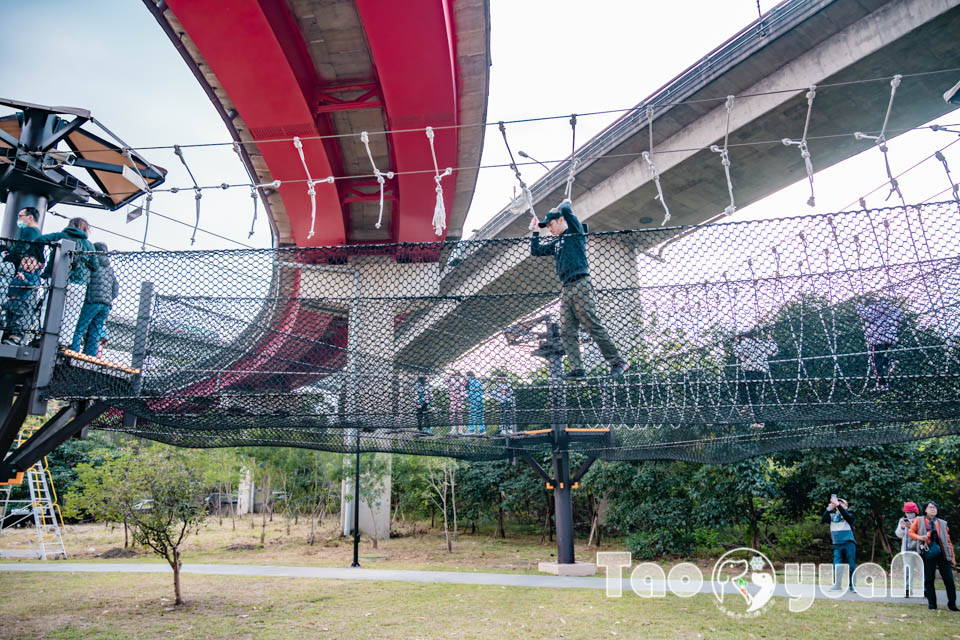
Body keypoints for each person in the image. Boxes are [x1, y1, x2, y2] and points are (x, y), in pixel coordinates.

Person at [529, 200, 629, 380]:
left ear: (560, 220)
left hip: (581, 283)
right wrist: (536, 231)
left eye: (551, 225)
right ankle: (577, 368)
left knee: (591, 324)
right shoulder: (557, 242)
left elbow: (567, 210)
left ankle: (617, 361)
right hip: (566, 288)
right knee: (566, 330)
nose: (549, 229)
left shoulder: (576, 233)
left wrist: (564, 205)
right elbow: (536, 251)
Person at [36, 218, 98, 347]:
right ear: (85, 229)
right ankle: (63, 342)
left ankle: (42, 334)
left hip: (56, 277)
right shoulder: (89, 245)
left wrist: (40, 258)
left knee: (48, 307)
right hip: (79, 283)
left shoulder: (60, 236)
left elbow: (40, 239)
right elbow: (95, 266)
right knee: (72, 313)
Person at [70, 243, 118, 357]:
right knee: (95, 331)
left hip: (92, 301)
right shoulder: (110, 269)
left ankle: (73, 351)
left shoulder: (92, 265)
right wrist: (107, 298)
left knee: (79, 327)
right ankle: (90, 355)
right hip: (106, 305)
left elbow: (85, 280)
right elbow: (115, 289)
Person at [908, 501, 957, 610]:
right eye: (930, 507)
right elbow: (911, 532)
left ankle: (952, 604)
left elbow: (948, 541)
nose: (933, 509)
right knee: (929, 579)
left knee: (949, 579)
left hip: (942, 553)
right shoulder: (919, 520)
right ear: (925, 510)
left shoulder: (942, 523)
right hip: (927, 553)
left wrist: (952, 556)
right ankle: (932, 604)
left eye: (935, 507)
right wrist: (920, 538)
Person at [732, 329, 777, 430]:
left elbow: (738, 353)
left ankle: (755, 416)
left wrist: (735, 343)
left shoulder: (746, 342)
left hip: (751, 371)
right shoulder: (761, 343)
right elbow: (773, 352)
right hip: (760, 372)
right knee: (750, 392)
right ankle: (753, 413)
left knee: (748, 392)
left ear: (743, 336)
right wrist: (770, 340)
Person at [855, 297, 904, 391]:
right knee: (878, 357)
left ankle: (882, 384)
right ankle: (890, 362)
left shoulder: (872, 308)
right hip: (889, 338)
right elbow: (899, 318)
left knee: (875, 361)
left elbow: (866, 315)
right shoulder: (891, 309)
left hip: (877, 339)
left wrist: (858, 306)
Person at [2, 256, 42, 345]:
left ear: (36, 266)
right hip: (12, 300)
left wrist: (24, 280)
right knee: (9, 319)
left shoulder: (34, 277)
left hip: (23, 302)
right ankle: (7, 335)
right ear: (21, 264)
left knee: (20, 321)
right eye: (25, 261)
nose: (28, 264)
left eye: (31, 262)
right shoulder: (18, 274)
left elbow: (34, 286)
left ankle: (16, 338)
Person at [822, 495, 856, 590]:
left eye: (841, 503)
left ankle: (852, 585)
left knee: (851, 565)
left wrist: (838, 505)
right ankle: (837, 585)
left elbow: (846, 516)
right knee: (836, 565)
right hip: (837, 544)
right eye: (838, 502)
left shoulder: (849, 516)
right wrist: (829, 508)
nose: (839, 504)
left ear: (846, 507)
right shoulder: (832, 516)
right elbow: (823, 519)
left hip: (849, 543)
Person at [895, 501, 923, 598]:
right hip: (906, 549)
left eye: (910, 512)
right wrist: (902, 528)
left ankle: (925, 589)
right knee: (907, 570)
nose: (908, 514)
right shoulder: (902, 520)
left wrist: (911, 527)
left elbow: (923, 533)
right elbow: (898, 535)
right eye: (906, 512)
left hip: (919, 549)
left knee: (922, 569)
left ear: (915, 512)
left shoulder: (920, 520)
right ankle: (907, 589)